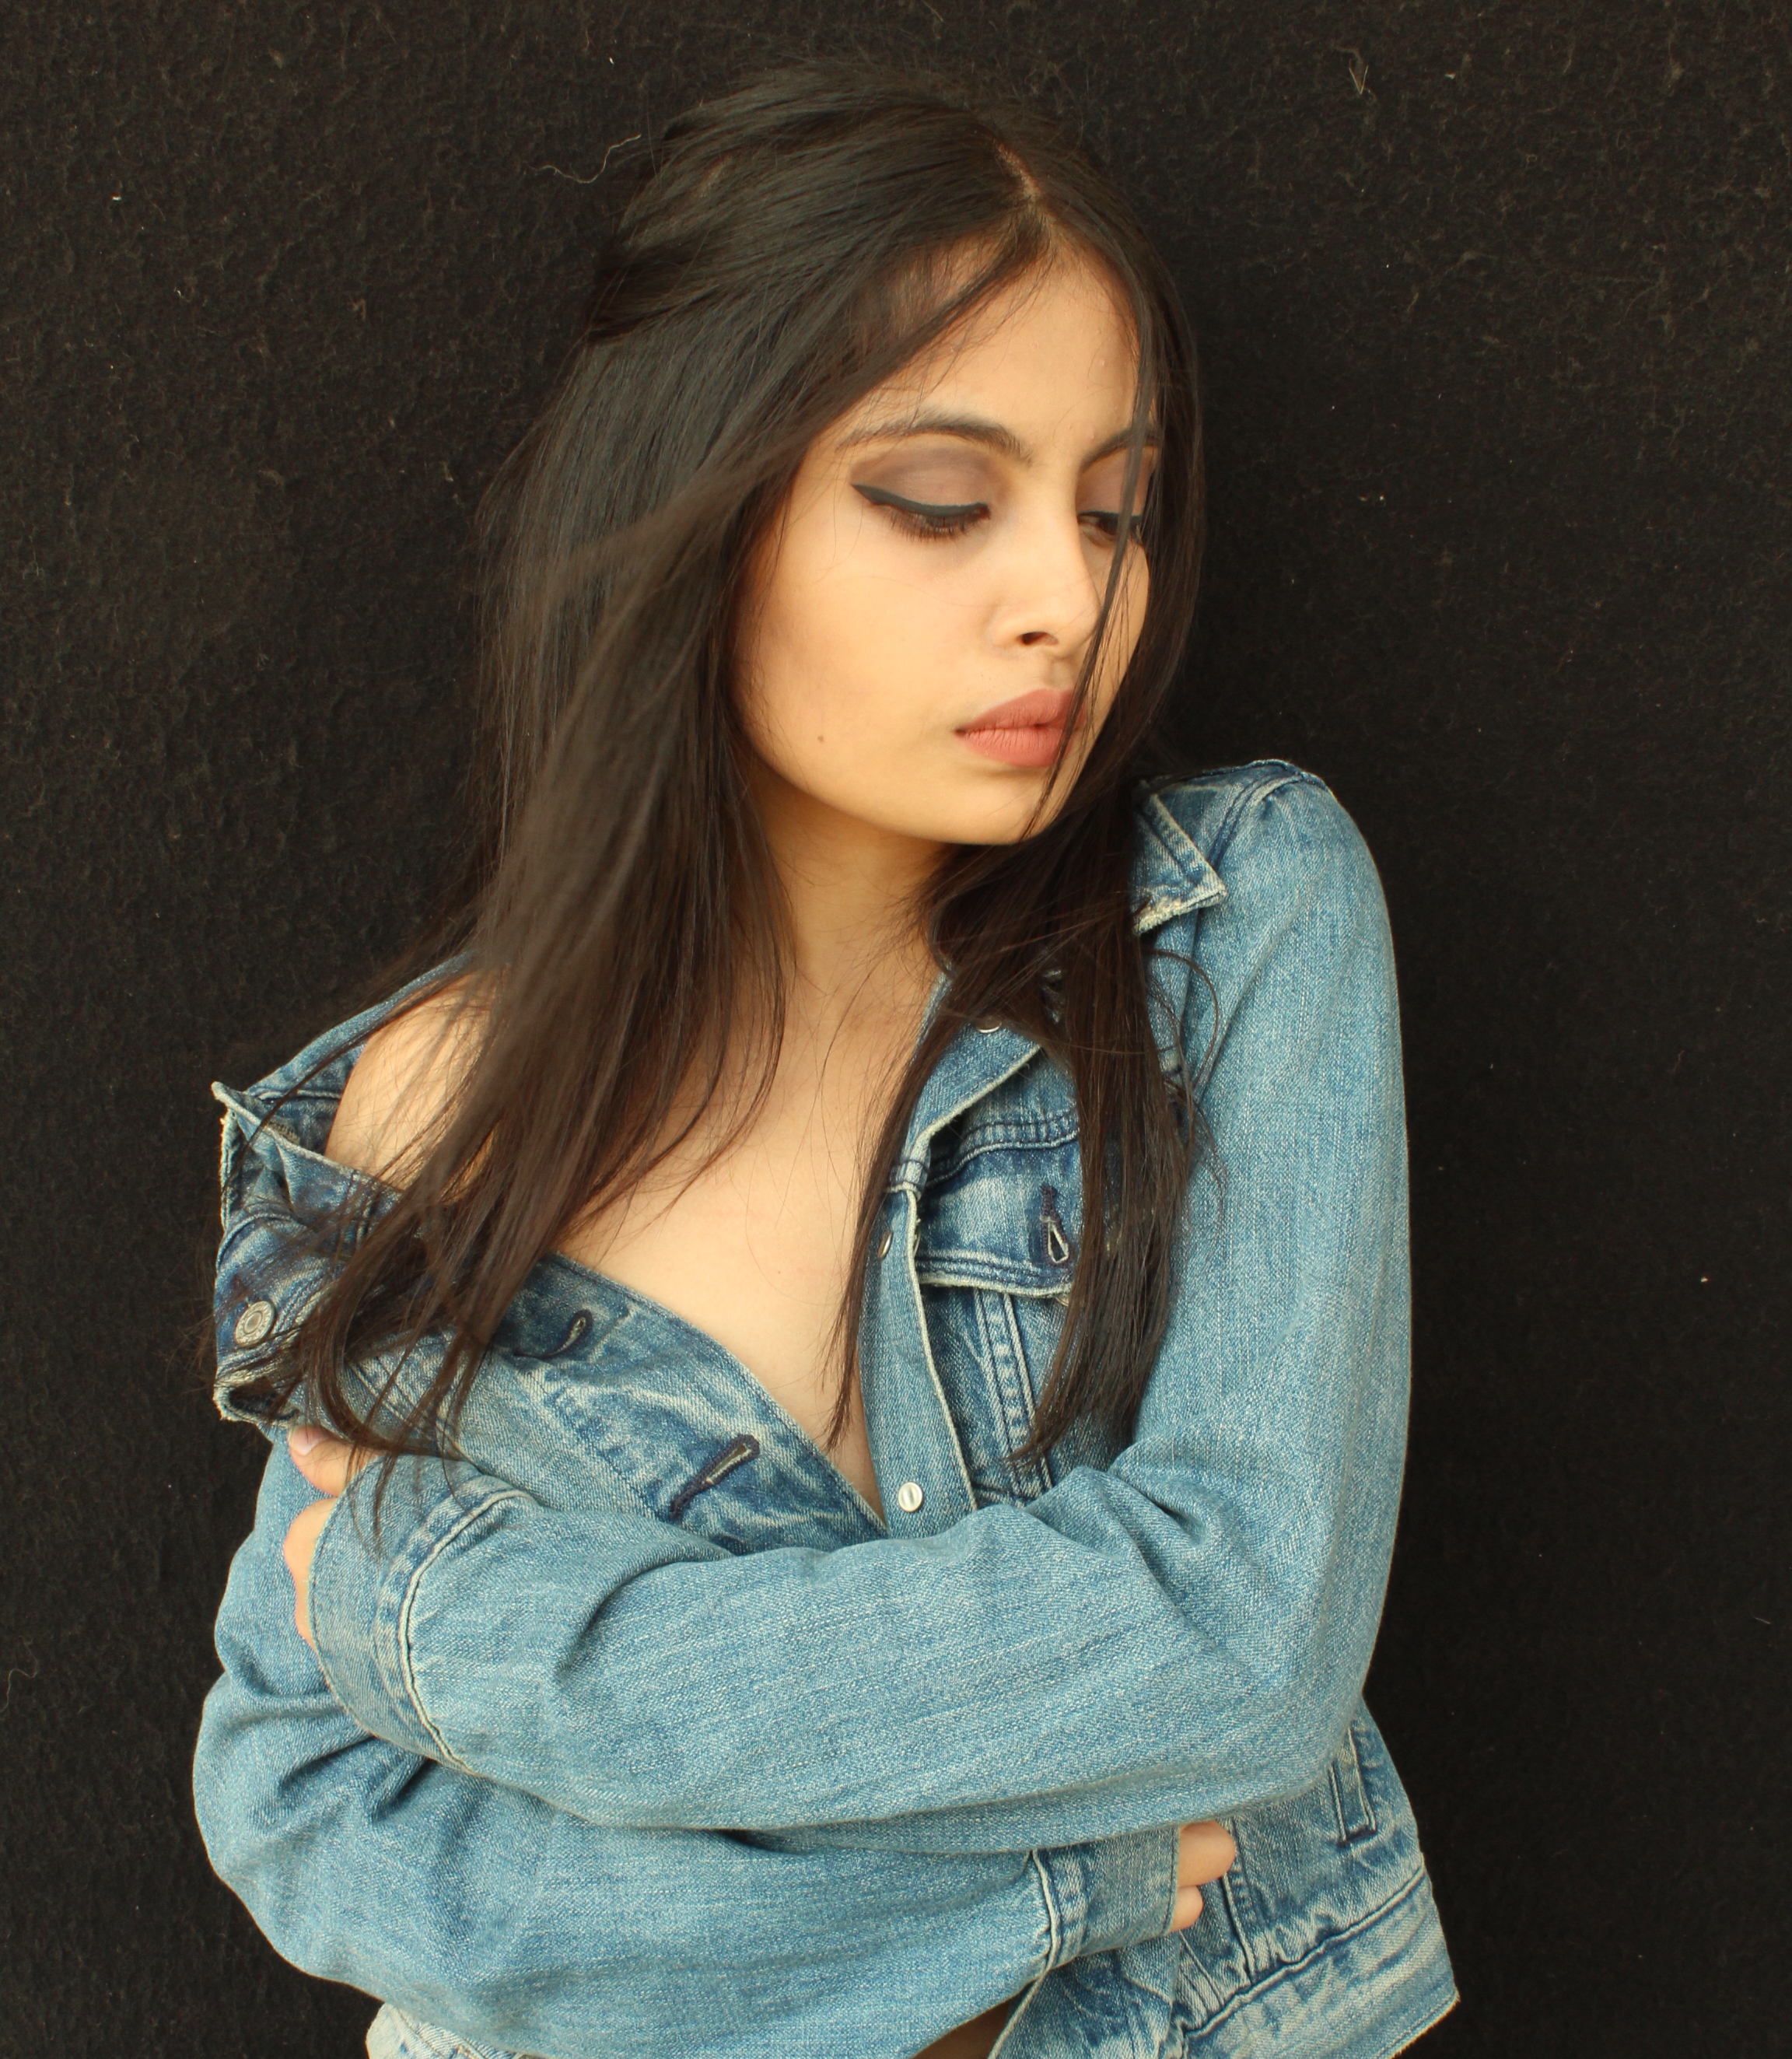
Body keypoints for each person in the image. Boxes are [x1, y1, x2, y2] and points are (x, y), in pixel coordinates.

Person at [191, 58, 1458, 2059]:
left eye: (1115, 509)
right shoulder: (450, 1092)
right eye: (941, 501)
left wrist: (463, 1628)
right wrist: (1060, 1882)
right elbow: (310, 1807)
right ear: (701, 501)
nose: (1068, 598)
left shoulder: (1228, 924)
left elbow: (1240, 1636)